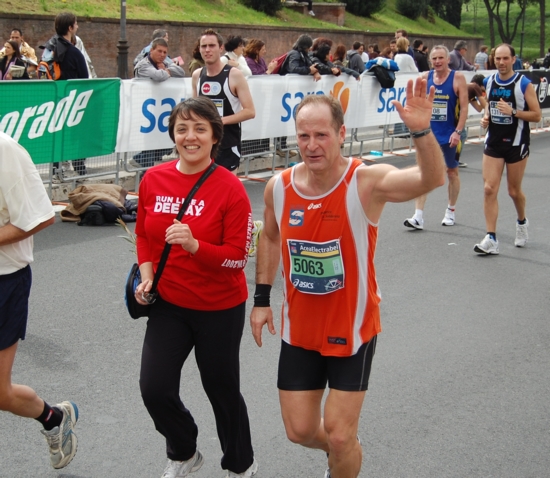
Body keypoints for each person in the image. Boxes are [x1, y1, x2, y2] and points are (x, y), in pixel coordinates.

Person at [249, 78, 445, 478]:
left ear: (341, 133)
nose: (312, 144)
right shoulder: (279, 187)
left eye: (322, 134)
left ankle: (343, 453)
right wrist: (262, 299)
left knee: (338, 433)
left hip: (351, 330)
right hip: (300, 329)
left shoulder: (365, 182)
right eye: (303, 136)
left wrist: (421, 131)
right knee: (300, 430)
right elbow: (269, 237)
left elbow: (430, 180)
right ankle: (344, 453)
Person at [134, 97, 257, 478]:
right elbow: (143, 234)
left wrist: (194, 246)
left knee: (221, 391)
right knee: (154, 388)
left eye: (200, 129)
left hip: (219, 307)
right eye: (182, 128)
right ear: (172, 134)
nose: (190, 137)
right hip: (169, 303)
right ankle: (184, 451)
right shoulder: (153, 179)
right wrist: (146, 275)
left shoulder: (231, 188)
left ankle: (241, 464)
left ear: (214, 137)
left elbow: (239, 257)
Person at [0, 132, 79, 471]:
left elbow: (40, 216)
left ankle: (54, 418)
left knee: (0, 394)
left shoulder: (5, 150)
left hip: (5, 280)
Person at [474, 44, 541, 255]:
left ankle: (521, 222)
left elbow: (537, 115)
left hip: (516, 143)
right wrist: (486, 117)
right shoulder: (489, 81)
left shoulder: (523, 84)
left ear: (513, 60)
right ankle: (491, 238)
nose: (501, 63)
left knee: (513, 191)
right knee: (488, 188)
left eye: (505, 59)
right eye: (498, 59)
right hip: (493, 142)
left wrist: (513, 111)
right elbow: (488, 106)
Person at [404, 45, 468, 229]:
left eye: (441, 58)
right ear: (430, 61)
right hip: (429, 134)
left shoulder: (458, 78)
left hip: (450, 135)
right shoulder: (425, 78)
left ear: (448, 59)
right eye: (434, 59)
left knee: (452, 172)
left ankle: (451, 210)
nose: (438, 62)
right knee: (424, 172)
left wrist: (458, 131)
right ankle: (418, 216)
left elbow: (464, 107)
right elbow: (417, 104)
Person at [192, 29, 255, 174]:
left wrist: (221, 121)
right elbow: (194, 110)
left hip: (227, 145)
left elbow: (250, 111)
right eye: (204, 46)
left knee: (226, 193)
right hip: (204, 146)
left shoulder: (234, 75)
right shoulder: (197, 75)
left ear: (221, 48)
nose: (207, 50)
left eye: (212, 45)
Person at [42, 12, 89, 177]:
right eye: (76, 24)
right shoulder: (74, 52)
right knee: (77, 134)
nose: (77, 26)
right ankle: (80, 170)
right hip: (73, 100)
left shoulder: (49, 48)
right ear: (70, 28)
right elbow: (85, 78)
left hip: (53, 99)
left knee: (57, 133)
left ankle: (56, 170)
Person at [132, 38, 185, 168]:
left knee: (166, 143)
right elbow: (158, 76)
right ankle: (144, 170)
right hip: (145, 109)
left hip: (161, 109)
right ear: (151, 50)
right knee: (150, 143)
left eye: (165, 52)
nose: (162, 55)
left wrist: (167, 68)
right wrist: (167, 71)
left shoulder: (164, 62)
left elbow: (181, 72)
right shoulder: (143, 64)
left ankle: (139, 160)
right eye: (159, 51)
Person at [455, 74, 488, 168]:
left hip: (454, 114)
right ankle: (455, 160)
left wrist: (484, 99)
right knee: (462, 135)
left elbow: (478, 108)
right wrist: (487, 96)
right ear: (481, 84)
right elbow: (485, 106)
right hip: (455, 115)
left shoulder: (469, 89)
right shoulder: (474, 87)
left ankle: (453, 159)